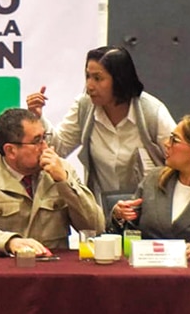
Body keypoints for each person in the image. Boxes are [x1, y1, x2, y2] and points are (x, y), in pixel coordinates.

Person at [26, 45, 175, 201]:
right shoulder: (84, 106)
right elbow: (59, 148)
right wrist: (38, 116)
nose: (89, 86)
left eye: (98, 78)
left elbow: (180, 158)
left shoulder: (152, 113)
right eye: (87, 77)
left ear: (120, 80)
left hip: (149, 206)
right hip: (102, 208)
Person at [0, 108, 103, 256]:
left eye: (44, 138)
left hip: (55, 264)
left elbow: (96, 227)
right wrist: (9, 242)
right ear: (11, 151)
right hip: (6, 265)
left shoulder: (61, 170)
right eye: (37, 141)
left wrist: (64, 182)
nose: (45, 147)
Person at [108, 114, 190, 261]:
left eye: (174, 140)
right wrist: (118, 215)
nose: (166, 144)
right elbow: (129, 229)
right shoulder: (153, 179)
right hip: (146, 267)